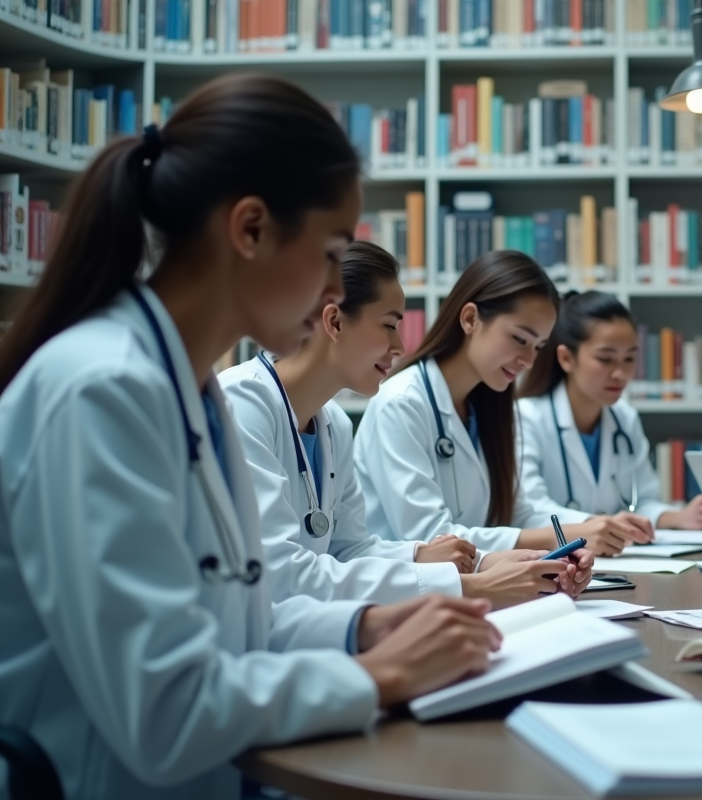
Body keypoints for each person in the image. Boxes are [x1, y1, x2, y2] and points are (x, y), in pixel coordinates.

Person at [0, 74, 502, 800]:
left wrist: (366, 626)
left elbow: (238, 619)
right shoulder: (101, 391)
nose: (337, 289)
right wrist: (379, 675)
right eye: (332, 252)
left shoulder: (190, 388)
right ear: (251, 229)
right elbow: (166, 710)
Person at [220, 240, 591, 610]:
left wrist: (452, 559)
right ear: (333, 321)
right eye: (389, 325)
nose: (399, 346)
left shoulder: (334, 423)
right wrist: (468, 584)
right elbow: (283, 575)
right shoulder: (243, 403)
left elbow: (349, 548)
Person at [354, 250, 645, 557]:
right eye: (520, 339)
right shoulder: (401, 403)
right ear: (470, 319)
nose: (529, 360)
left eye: (538, 346)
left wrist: (591, 527)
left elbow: (519, 514)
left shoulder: (491, 406)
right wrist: (565, 536)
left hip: (471, 589)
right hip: (406, 593)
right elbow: (433, 539)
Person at [516, 290, 702, 538]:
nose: (620, 373)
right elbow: (529, 510)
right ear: (566, 358)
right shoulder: (526, 418)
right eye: (606, 359)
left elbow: (643, 501)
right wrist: (596, 525)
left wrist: (677, 517)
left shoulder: (624, 418)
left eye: (629, 358)